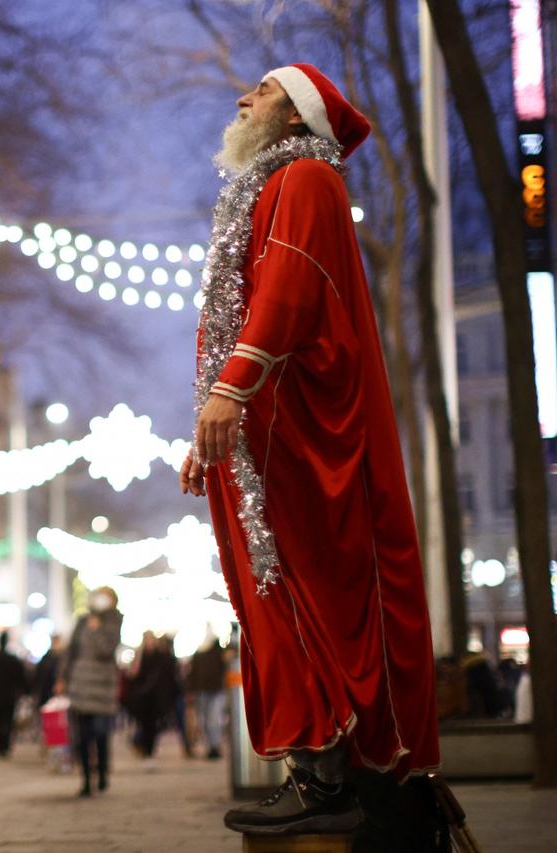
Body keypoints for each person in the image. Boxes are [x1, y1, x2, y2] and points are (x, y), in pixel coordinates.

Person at [182, 64, 439, 836]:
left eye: (260, 90)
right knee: (275, 593)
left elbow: (288, 290)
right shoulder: (272, 186)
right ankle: (313, 771)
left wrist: (230, 388)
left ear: (296, 116)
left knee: (309, 590)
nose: (242, 98)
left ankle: (333, 776)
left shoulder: (305, 181)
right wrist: (213, 419)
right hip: (268, 429)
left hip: (297, 428)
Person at [57, 586, 121, 797]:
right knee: (82, 736)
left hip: (102, 687)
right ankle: (85, 779)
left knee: (101, 734)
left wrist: (97, 630)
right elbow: (71, 652)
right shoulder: (83, 620)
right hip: (80, 685)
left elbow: (107, 650)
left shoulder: (113, 621)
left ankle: (102, 774)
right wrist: (62, 678)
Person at [126, 632, 176, 763]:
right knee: (144, 725)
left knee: (153, 726)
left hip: (156, 698)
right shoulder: (139, 657)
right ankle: (146, 749)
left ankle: (149, 751)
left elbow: (169, 675)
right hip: (142, 699)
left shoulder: (161, 656)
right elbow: (132, 676)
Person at [188, 630, 227, 760]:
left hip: (215, 690)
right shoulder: (198, 653)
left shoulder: (218, 651)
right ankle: (210, 746)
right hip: (202, 691)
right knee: (204, 720)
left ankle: (214, 746)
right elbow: (193, 673)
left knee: (213, 719)